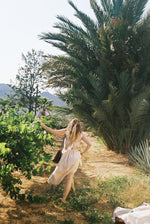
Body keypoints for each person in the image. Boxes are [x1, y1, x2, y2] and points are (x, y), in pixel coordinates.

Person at [39, 118, 91, 203]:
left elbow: (53, 131)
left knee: (68, 176)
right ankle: (72, 192)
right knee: (70, 175)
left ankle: (63, 199)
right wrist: (83, 152)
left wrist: (43, 125)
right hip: (76, 155)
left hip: (67, 155)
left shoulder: (66, 131)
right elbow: (89, 144)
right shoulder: (81, 134)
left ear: (71, 124)